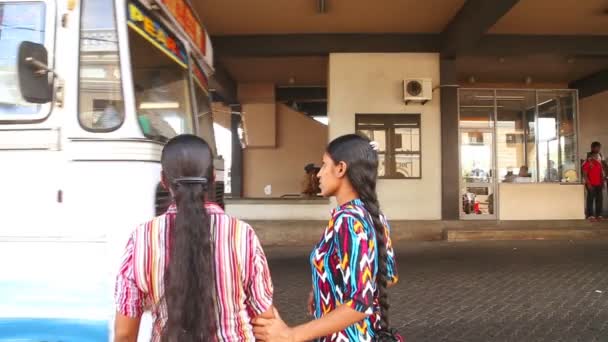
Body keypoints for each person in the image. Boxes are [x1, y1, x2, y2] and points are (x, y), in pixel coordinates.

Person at [114, 134, 275, 342]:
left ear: (164, 180)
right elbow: (265, 321)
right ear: (213, 178)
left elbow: (125, 334)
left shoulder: (141, 239)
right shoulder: (242, 234)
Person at [253, 134, 399, 342]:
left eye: (323, 165)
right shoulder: (373, 215)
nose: (319, 174)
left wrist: (291, 335)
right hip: (368, 333)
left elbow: (359, 303)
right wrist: (326, 286)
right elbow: (388, 277)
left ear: (341, 168)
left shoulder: (347, 221)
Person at [583, 142, 605, 221]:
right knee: (590, 199)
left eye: (599, 147)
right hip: (591, 183)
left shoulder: (599, 161)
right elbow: (584, 173)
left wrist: (602, 182)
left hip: (599, 183)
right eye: (596, 148)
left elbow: (601, 172)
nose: (598, 149)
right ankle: (590, 215)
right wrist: (588, 183)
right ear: (592, 148)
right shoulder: (588, 160)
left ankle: (599, 215)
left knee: (599, 199)